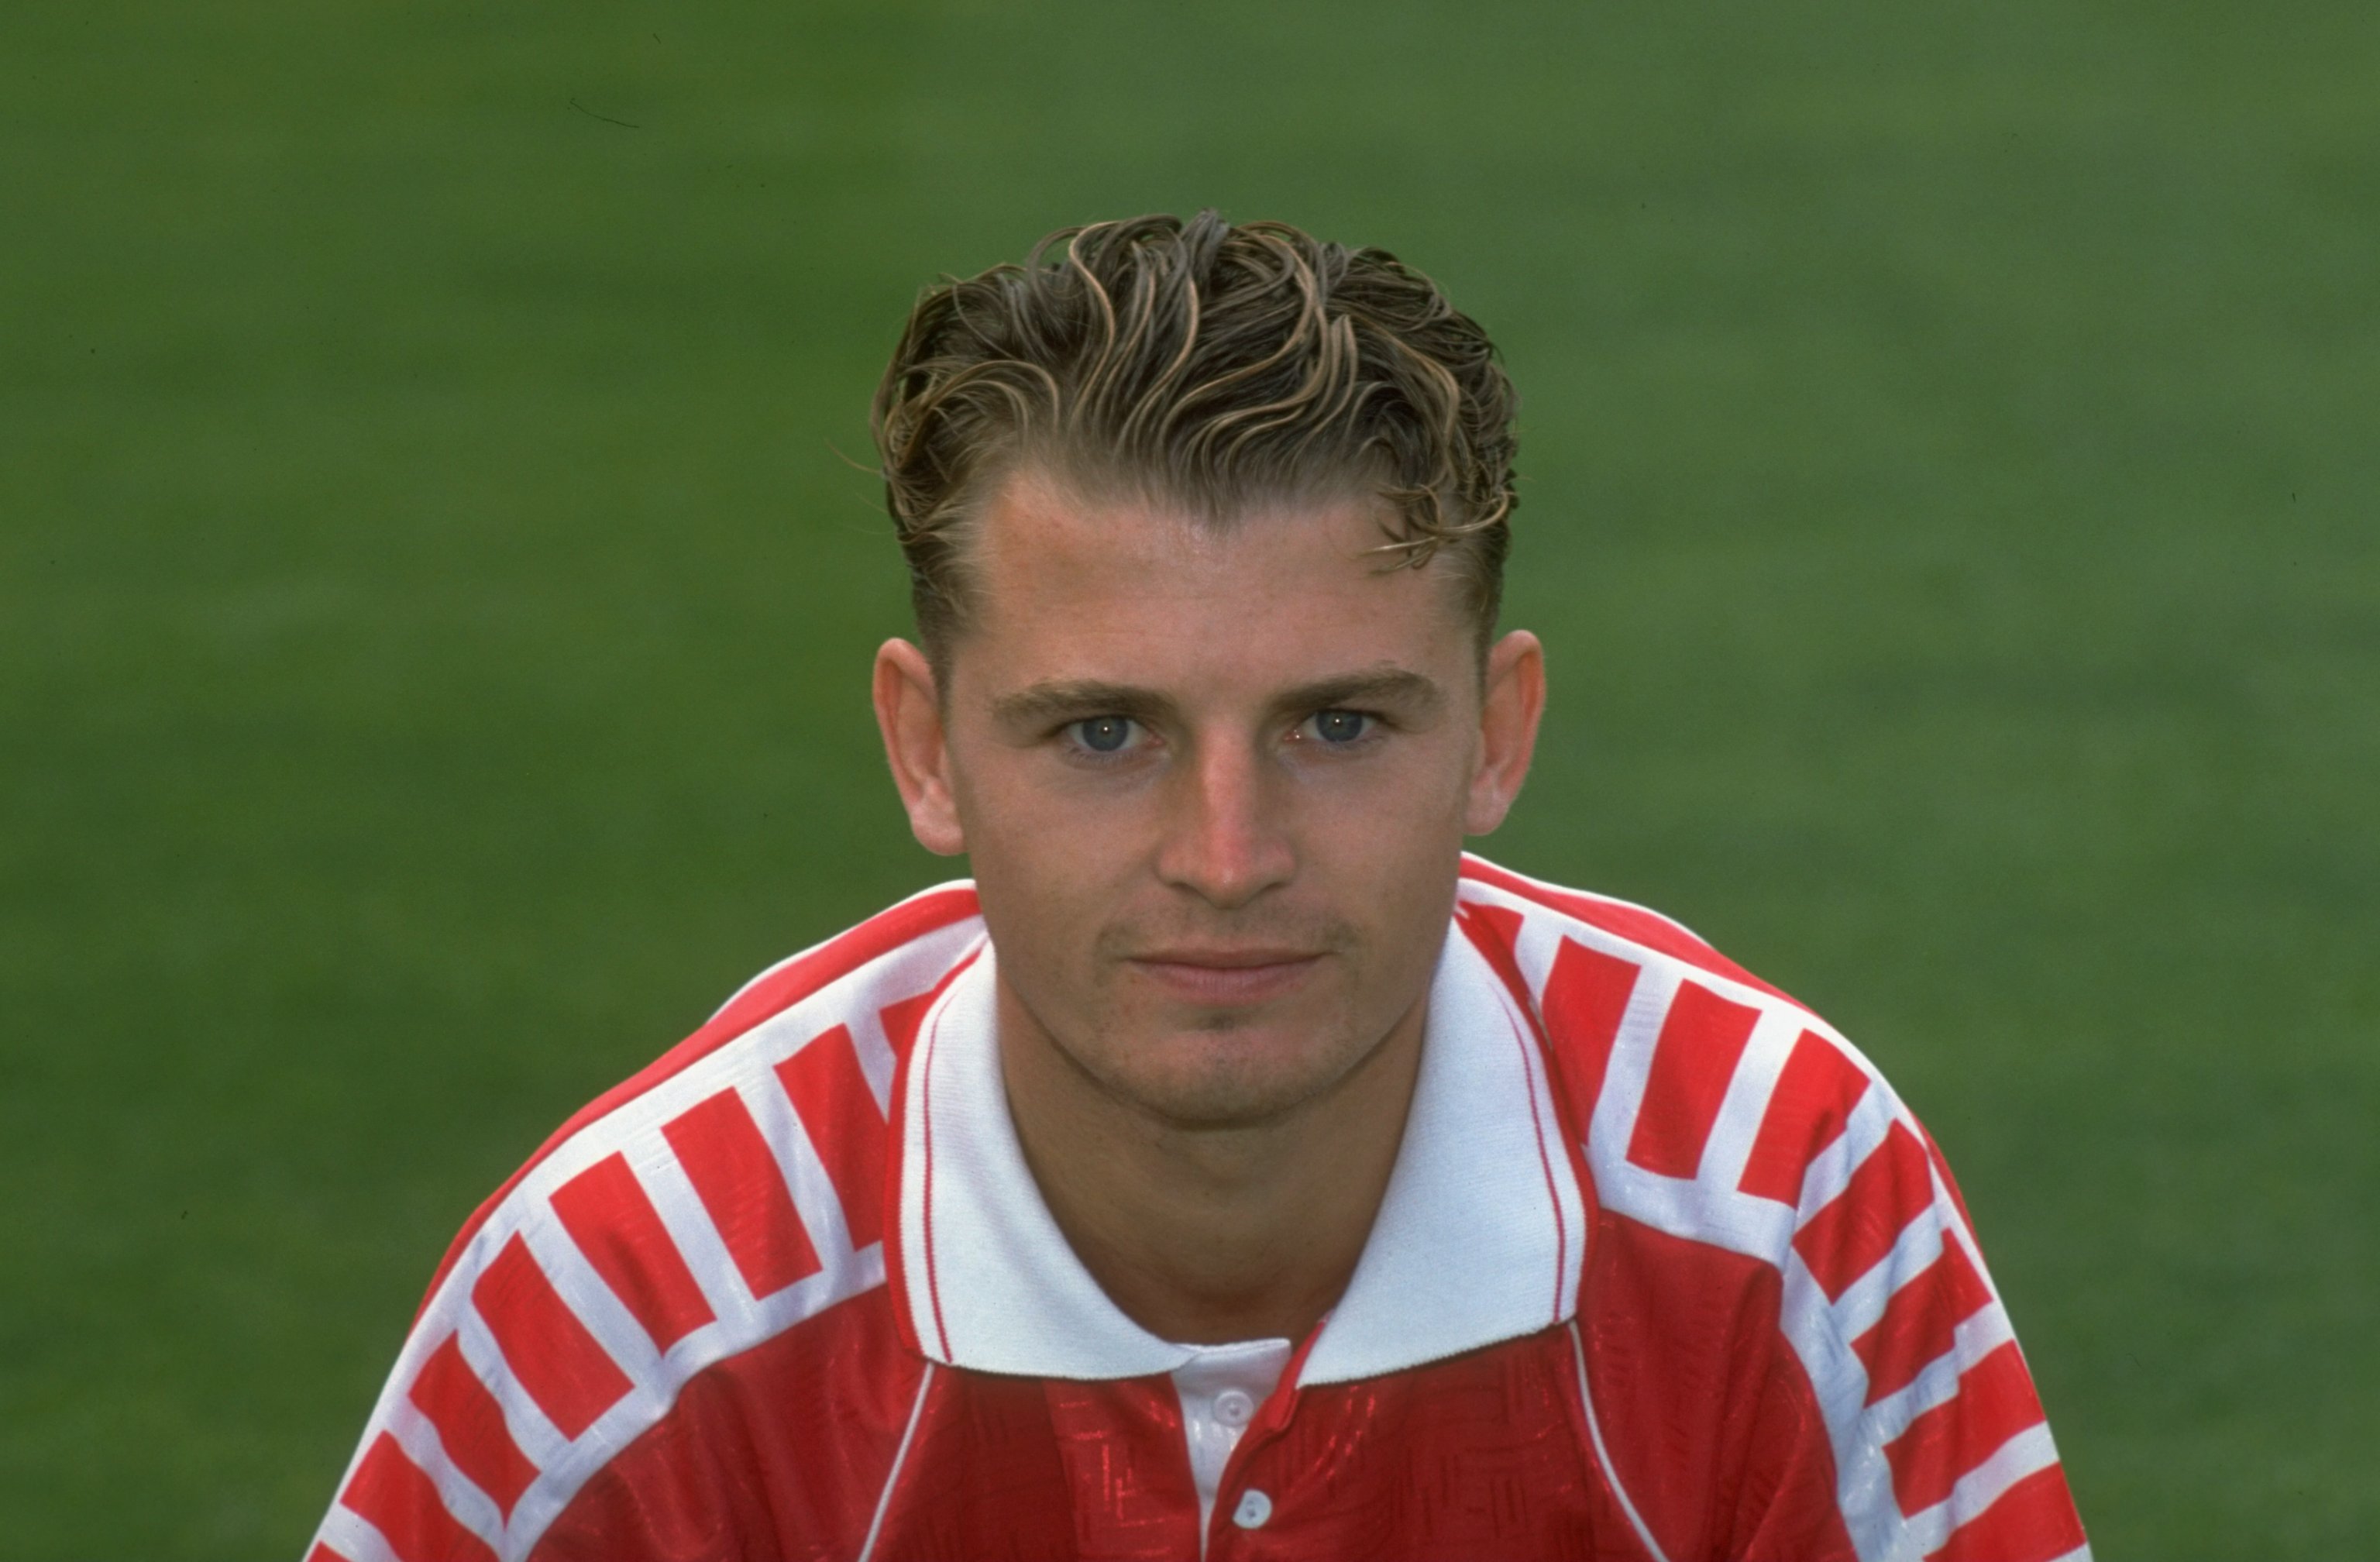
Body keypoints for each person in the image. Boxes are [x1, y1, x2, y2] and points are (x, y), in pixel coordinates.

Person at [309, 213, 2090, 1562]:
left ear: (1498, 732)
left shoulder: (1780, 1197)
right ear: (926, 751)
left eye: (1336, 723)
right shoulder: (636, 1300)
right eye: (1102, 734)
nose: (1226, 857)